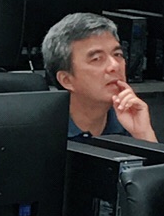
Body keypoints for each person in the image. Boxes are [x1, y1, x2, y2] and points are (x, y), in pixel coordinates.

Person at [43, 11, 156, 141]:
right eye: (97, 59)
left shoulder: (128, 119)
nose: (115, 65)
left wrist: (143, 133)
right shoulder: (41, 132)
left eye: (117, 54)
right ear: (66, 80)